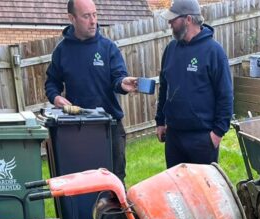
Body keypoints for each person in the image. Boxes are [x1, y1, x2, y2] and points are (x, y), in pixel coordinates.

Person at [45, 0, 139, 181]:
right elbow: (52, 83)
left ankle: (114, 211)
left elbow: (118, 78)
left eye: (95, 15)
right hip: (78, 128)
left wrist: (123, 83)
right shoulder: (62, 51)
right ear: (71, 18)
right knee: (83, 181)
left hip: (109, 126)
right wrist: (56, 97)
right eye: (86, 16)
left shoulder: (108, 47)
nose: (93, 21)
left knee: (115, 180)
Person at [155, 0, 233, 167]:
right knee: (177, 189)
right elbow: (164, 87)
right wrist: (160, 121)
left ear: (188, 19)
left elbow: (225, 95)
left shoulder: (214, 51)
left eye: (173, 20)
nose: (170, 23)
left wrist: (217, 134)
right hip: (174, 136)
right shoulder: (171, 49)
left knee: (203, 190)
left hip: (202, 139)